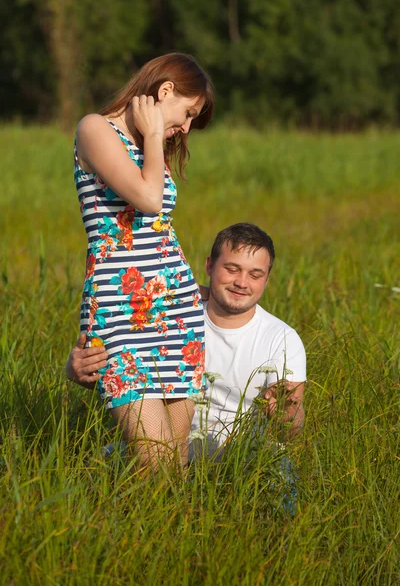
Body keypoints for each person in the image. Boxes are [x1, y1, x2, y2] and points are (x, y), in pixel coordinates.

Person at [73, 52, 214, 470]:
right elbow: (150, 201)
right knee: (155, 462)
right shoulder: (95, 129)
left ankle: (179, 535)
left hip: (176, 310)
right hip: (120, 311)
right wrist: (154, 135)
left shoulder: (150, 145)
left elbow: (160, 228)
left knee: (177, 462)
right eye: (187, 113)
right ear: (164, 91)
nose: (184, 128)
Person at [67, 223, 306, 458]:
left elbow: (292, 431)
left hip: (242, 457)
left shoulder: (281, 339)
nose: (242, 283)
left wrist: (287, 412)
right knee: (93, 463)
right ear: (209, 266)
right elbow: (125, 380)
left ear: (267, 279)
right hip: (169, 446)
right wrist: (77, 370)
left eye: (255, 275)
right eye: (232, 269)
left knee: (282, 477)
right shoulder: (169, 318)